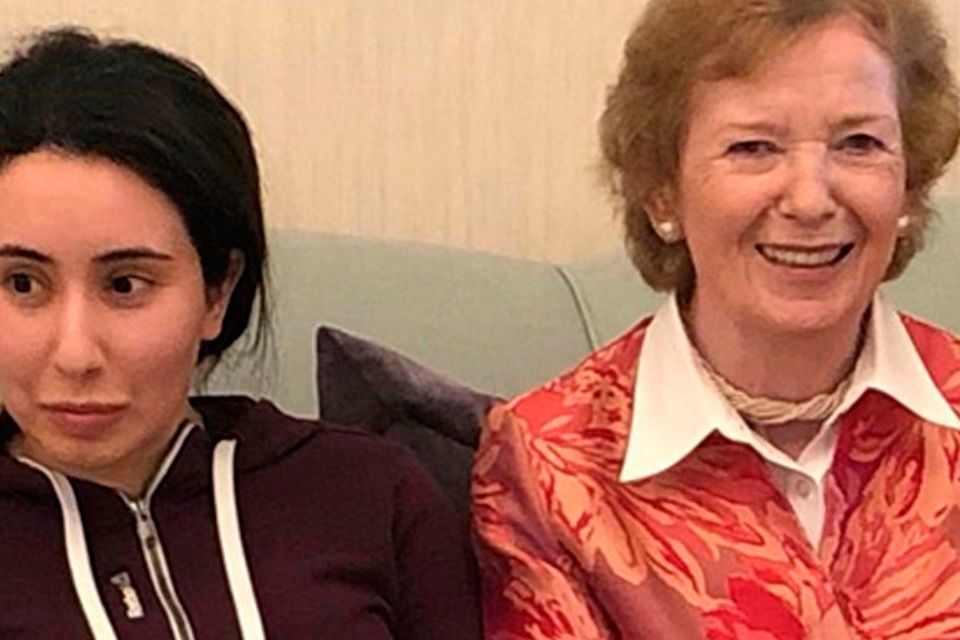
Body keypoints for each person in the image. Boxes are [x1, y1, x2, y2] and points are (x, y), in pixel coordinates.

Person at [472, 0, 960, 637]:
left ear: (910, 184)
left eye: (858, 143)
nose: (811, 199)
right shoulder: (551, 467)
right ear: (662, 192)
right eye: (754, 147)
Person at [0, 28, 481, 639]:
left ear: (218, 291)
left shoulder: (369, 494)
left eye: (125, 285)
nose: (75, 353)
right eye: (21, 284)